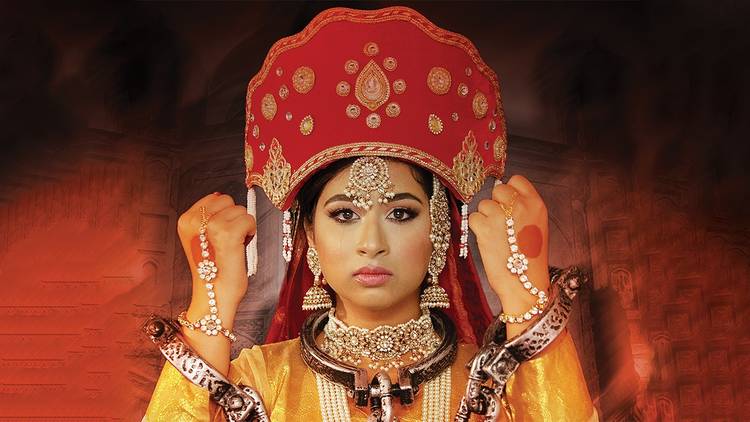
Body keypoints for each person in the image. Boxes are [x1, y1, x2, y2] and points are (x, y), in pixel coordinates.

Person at [144, 6, 597, 421]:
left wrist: (529, 305)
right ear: (309, 237)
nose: (372, 242)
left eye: (401, 214)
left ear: (441, 229)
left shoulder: (496, 388)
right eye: (344, 215)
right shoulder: (261, 381)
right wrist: (209, 312)